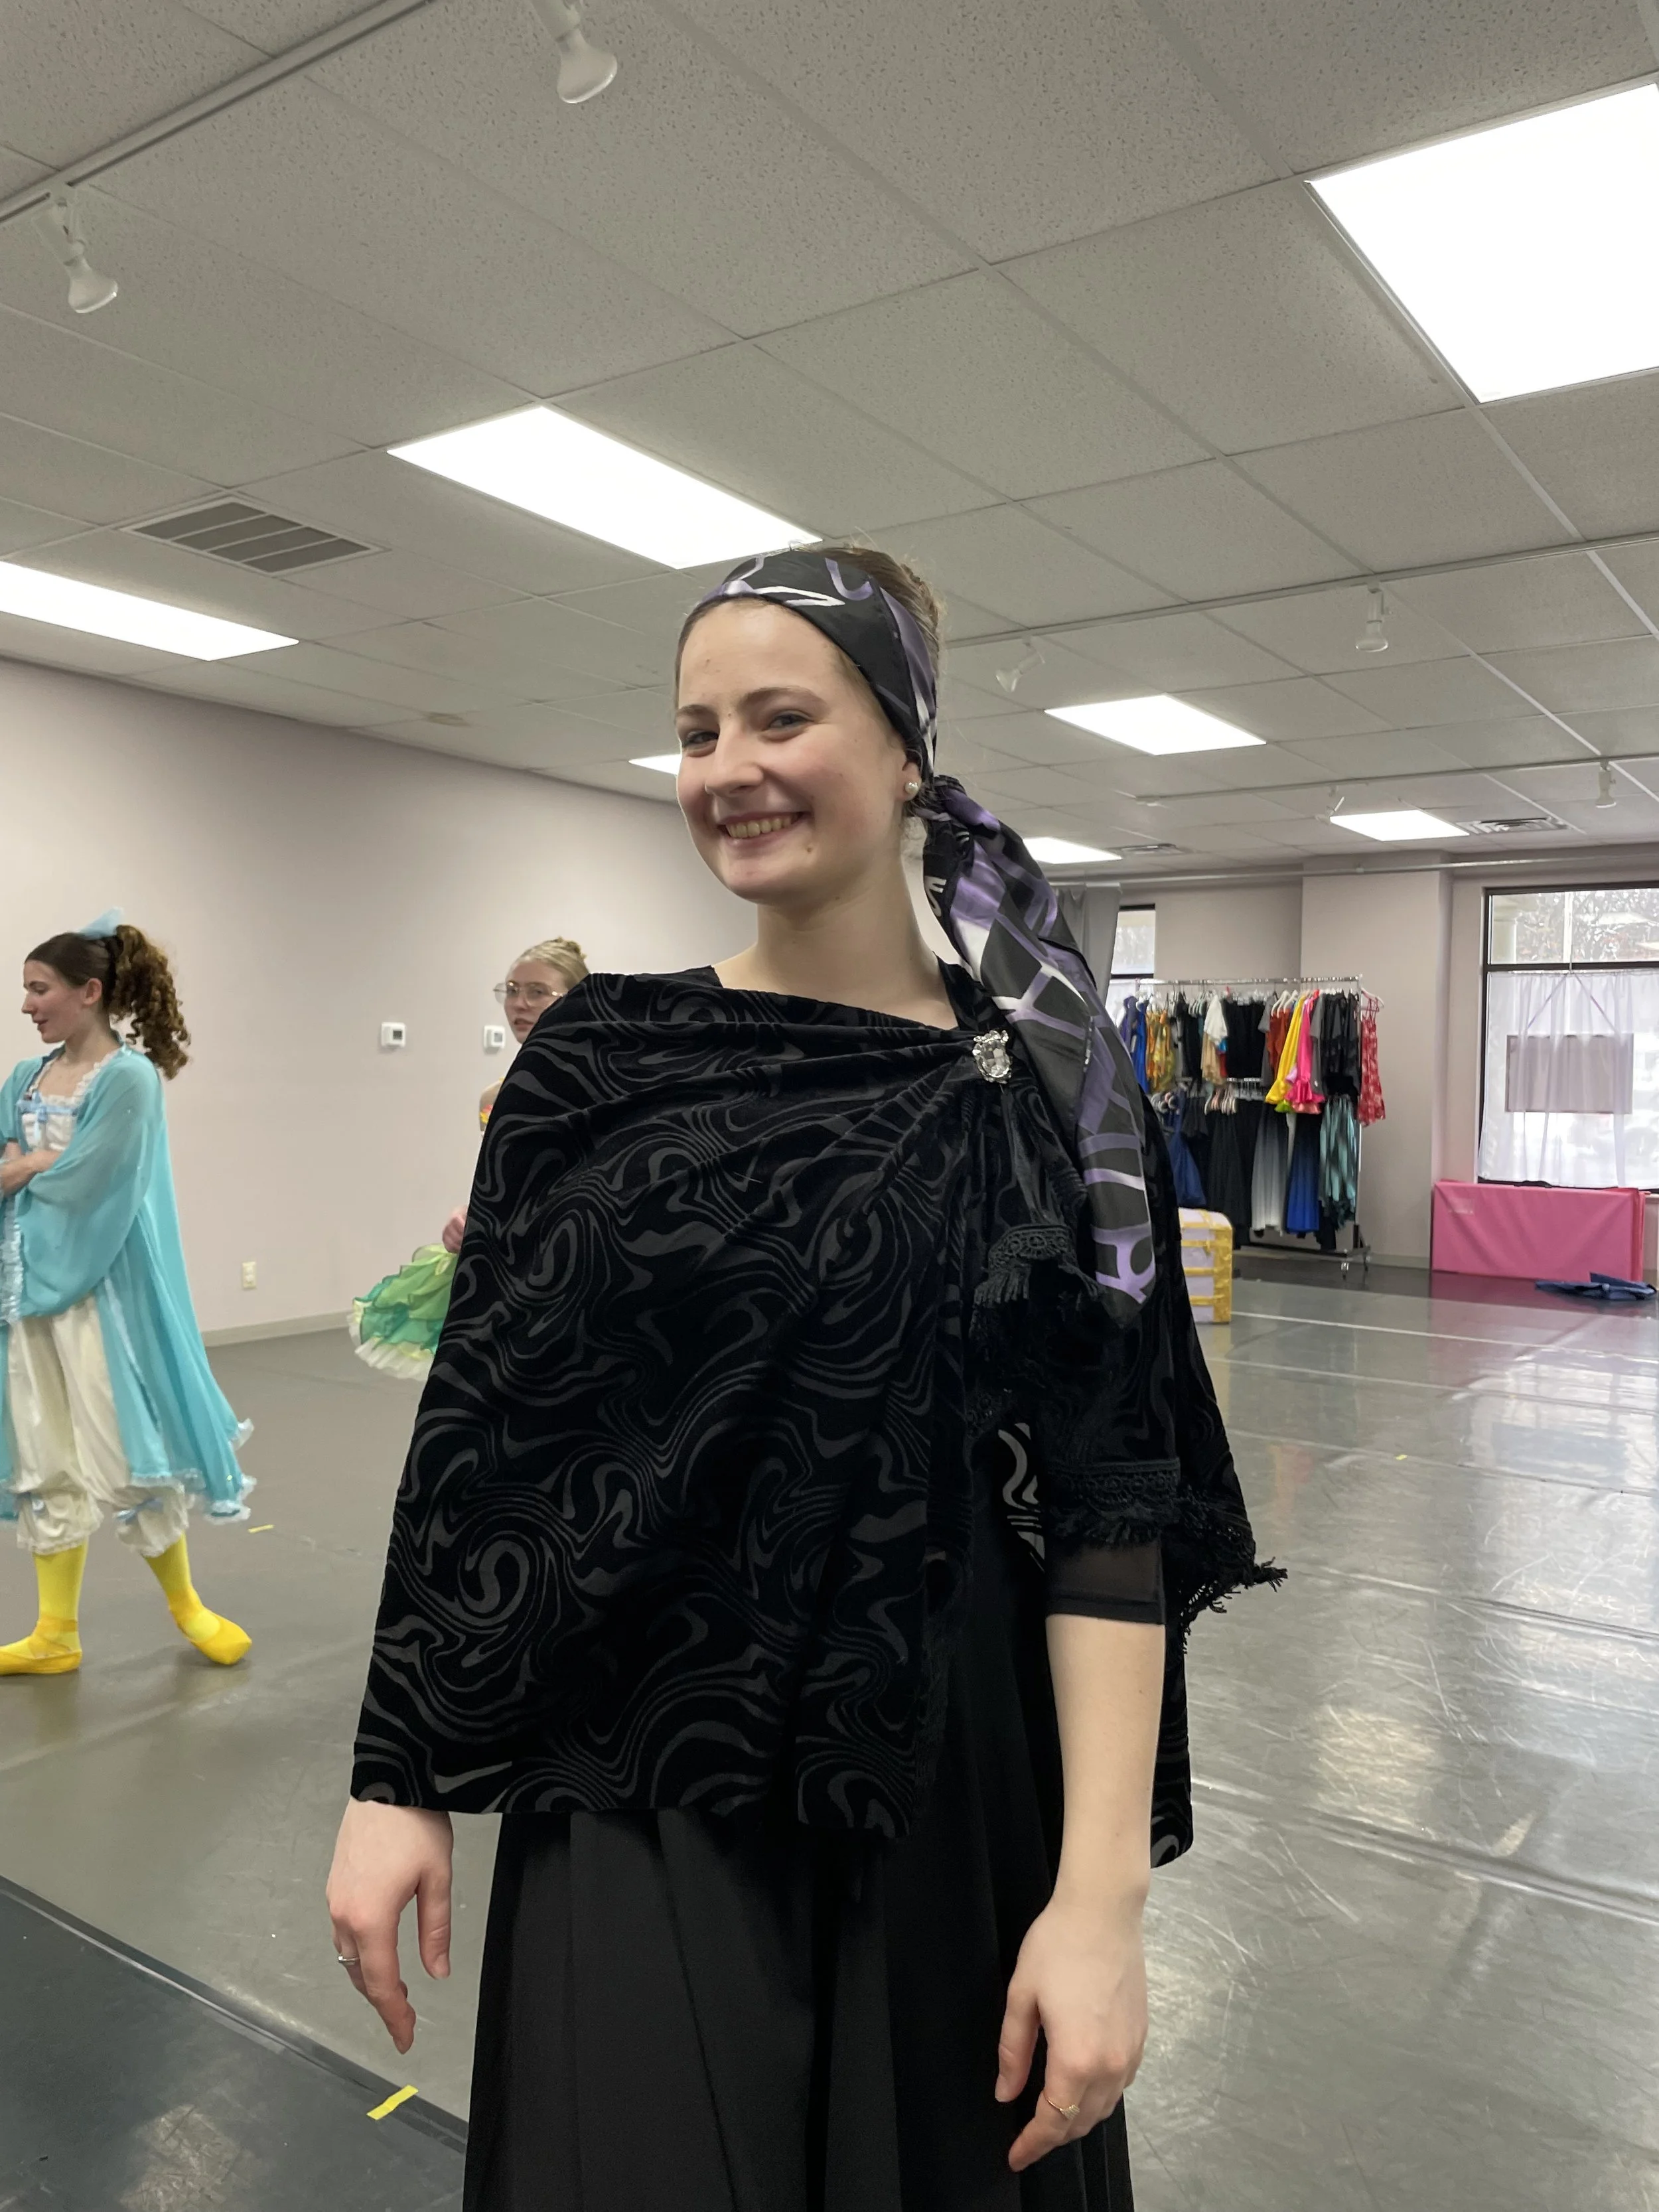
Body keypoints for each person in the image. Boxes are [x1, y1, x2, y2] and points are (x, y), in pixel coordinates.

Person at [328, 548, 1277, 2210]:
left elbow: (1111, 1507)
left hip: (938, 1779)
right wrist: (396, 1778)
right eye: (696, 731)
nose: (728, 768)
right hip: (635, 1773)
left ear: (907, 742)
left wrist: (1101, 1899)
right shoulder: (601, 1061)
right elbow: (488, 1430)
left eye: (782, 715)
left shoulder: (1037, 1089)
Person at [0, 914, 252, 1677]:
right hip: (23, 1293)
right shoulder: (25, 1077)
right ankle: (55, 1632)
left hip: (101, 1294)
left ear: (90, 991)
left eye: (39, 989)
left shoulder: (131, 1079)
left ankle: (187, 1607)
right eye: (25, 991)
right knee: (46, 1449)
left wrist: (27, 1165)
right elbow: (26, 1165)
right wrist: (35, 1162)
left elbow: (97, 1187)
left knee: (123, 1450)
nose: (27, 1006)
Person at [351, 938, 588, 1380]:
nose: (519, 1003)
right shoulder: (495, 1096)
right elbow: (503, 1177)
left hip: (572, 1259)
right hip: (504, 1257)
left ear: (574, 996)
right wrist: (471, 1213)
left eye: (537, 991)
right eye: (512, 989)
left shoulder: (598, 1084)